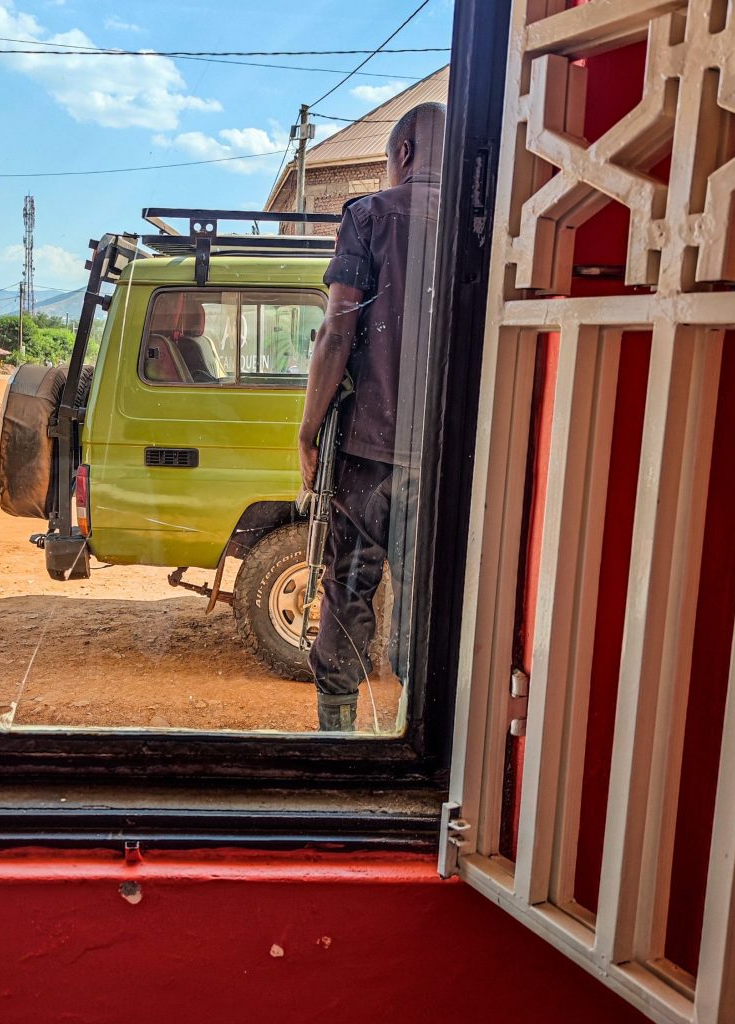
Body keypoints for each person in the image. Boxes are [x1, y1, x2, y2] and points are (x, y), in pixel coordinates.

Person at [298, 102, 446, 732]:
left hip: (369, 454)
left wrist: (308, 431)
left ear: (404, 154)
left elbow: (337, 332)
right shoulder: (482, 218)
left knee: (349, 588)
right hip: (448, 455)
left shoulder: (369, 216)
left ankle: (339, 743)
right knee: (427, 599)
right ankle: (419, 741)